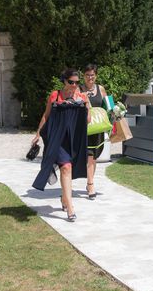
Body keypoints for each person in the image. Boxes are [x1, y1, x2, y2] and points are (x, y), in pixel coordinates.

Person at [32, 68, 91, 222]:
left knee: (69, 168)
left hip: (73, 138)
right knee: (66, 167)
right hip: (56, 137)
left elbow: (88, 120)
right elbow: (46, 116)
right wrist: (38, 133)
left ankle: (65, 198)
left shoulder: (82, 97)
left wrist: (86, 106)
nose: (74, 85)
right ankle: (70, 208)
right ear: (64, 81)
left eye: (77, 82)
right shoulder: (55, 95)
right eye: (71, 82)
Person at [80, 64, 109, 199]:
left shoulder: (101, 89)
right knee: (89, 156)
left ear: (96, 75)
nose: (90, 77)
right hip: (84, 128)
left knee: (94, 157)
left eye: (92, 75)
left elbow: (107, 106)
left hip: (98, 128)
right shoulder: (79, 89)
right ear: (83, 76)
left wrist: (116, 112)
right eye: (87, 75)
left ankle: (90, 181)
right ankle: (90, 184)